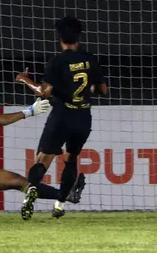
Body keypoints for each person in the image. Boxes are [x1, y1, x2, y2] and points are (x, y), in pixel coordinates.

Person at [16, 16, 108, 220]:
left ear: (59, 38)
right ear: (79, 37)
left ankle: (30, 194)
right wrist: (87, 87)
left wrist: (25, 79)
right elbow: (103, 89)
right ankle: (60, 204)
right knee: (71, 158)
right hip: (84, 117)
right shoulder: (90, 58)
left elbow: (43, 92)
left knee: (43, 158)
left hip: (62, 115)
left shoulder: (57, 62)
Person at [0, 73, 84, 208]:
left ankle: (66, 195)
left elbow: (1, 120)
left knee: (19, 181)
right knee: (20, 182)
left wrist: (30, 111)